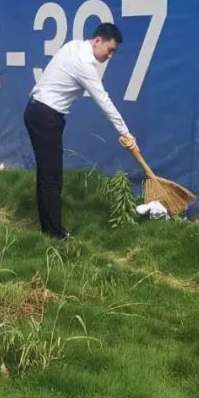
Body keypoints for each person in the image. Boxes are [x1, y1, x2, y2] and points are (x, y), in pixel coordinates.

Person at [24, 22, 136, 239]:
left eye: (113, 52)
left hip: (38, 111)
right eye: (109, 49)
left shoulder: (73, 46)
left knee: (47, 174)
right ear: (97, 41)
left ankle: (48, 229)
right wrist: (125, 133)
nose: (110, 56)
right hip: (46, 116)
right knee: (52, 177)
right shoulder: (84, 64)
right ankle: (55, 234)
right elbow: (103, 101)